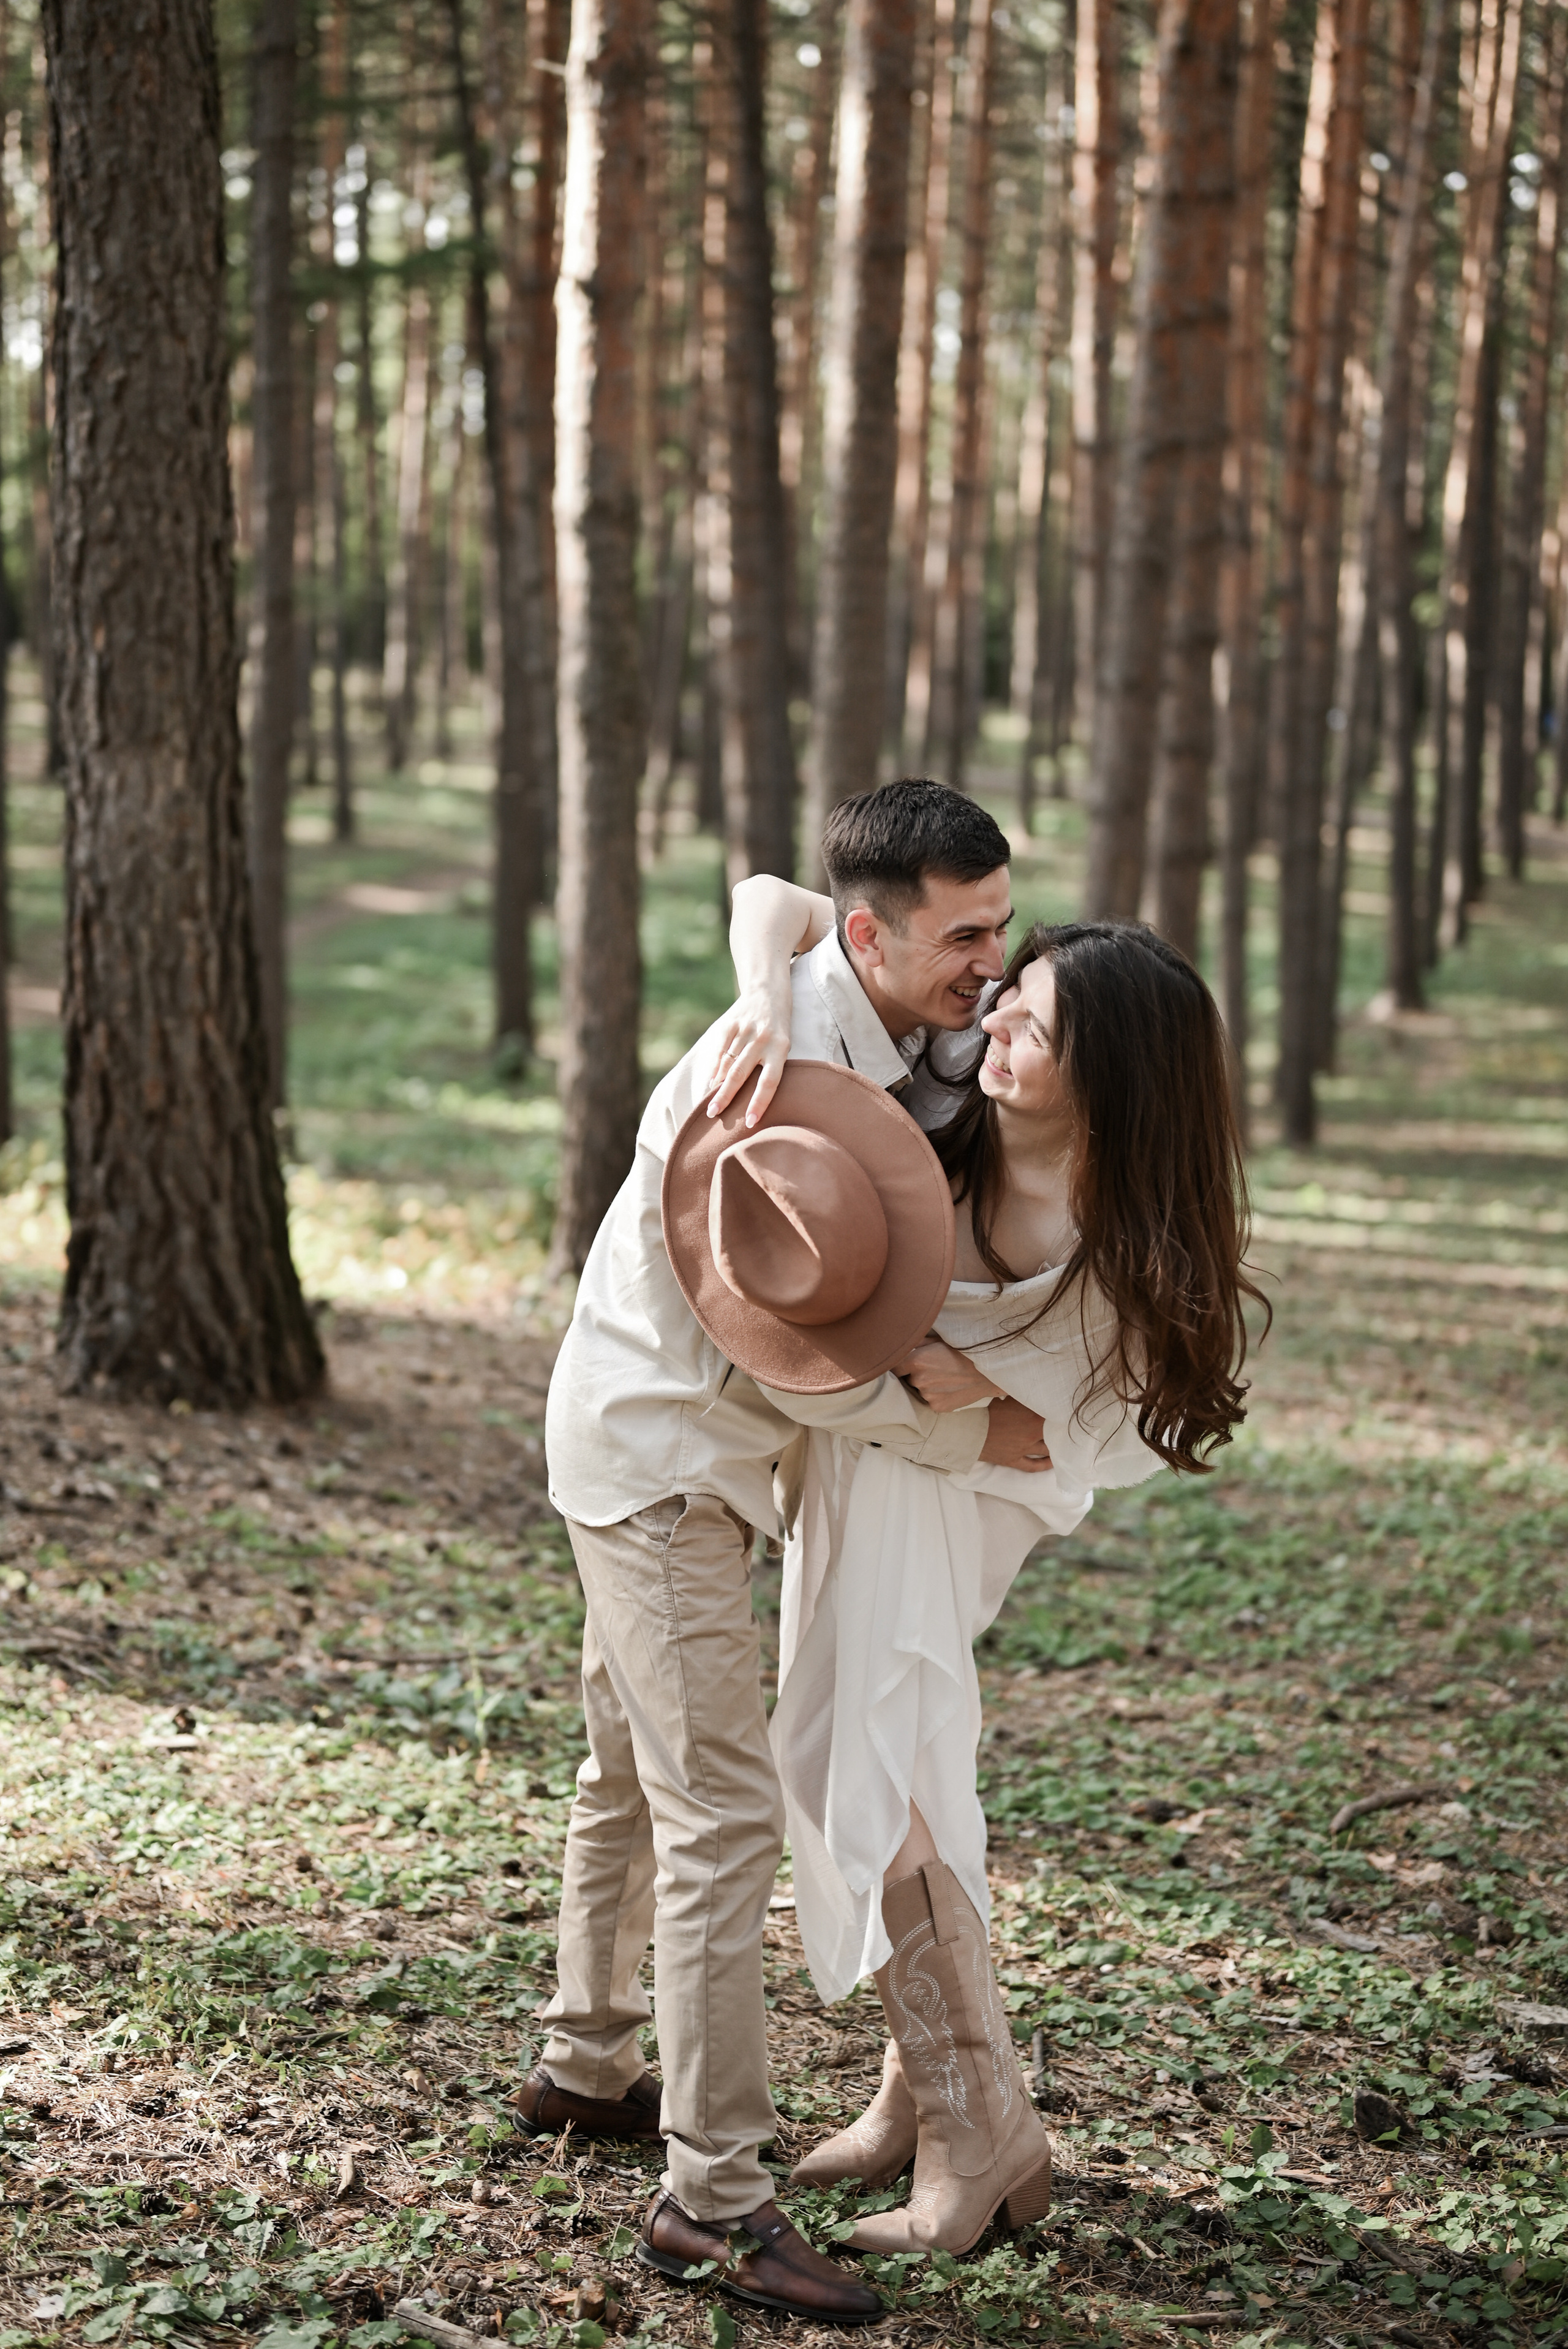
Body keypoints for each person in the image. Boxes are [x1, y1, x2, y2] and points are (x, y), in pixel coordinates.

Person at [533, 784, 1057, 2324]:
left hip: (661, 1438)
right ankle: (711, 2200)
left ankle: (582, 2061)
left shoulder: (856, 995)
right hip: (660, 1467)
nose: (991, 962)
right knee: (721, 1811)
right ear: (871, 941)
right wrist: (986, 1430)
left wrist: (767, 965)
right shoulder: (763, 1093)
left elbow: (774, 894)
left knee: (627, 1764)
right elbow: (820, 1379)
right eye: (963, 937)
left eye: (998, 924)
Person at [728, 894, 1266, 2256]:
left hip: (970, 1499)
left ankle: (978, 2131)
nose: (997, 1024)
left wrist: (987, 1398)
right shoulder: (932, 1098)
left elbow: (1093, 1431)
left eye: (1037, 1026)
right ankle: (925, 2100)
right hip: (869, 1465)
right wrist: (759, 999)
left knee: (861, 1755)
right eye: (1009, 996)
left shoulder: (1123, 1235)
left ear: (1114, 1078)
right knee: (901, 1757)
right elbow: (775, 905)